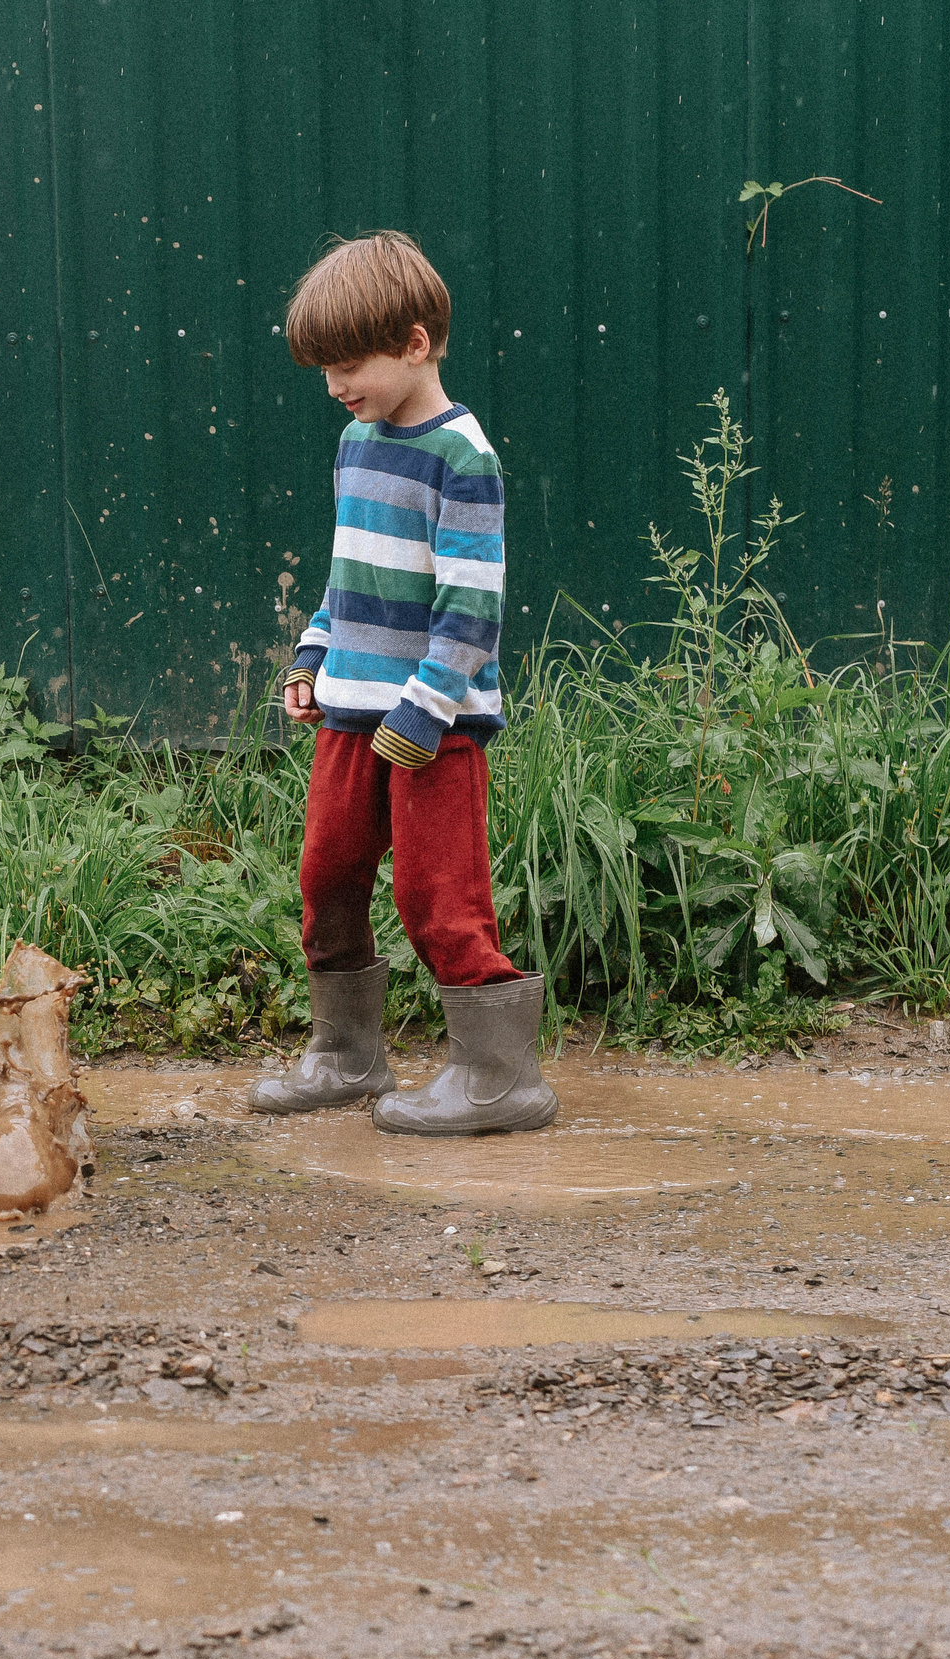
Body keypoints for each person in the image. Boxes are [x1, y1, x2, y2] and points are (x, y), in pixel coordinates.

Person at [255, 231, 556, 1137]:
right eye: (325, 370)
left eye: (350, 364)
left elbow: (474, 604)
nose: (336, 386)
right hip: (352, 708)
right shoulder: (357, 441)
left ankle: (500, 1076)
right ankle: (346, 1054)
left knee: (438, 893)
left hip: (436, 720)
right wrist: (314, 655)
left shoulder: (463, 457)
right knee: (327, 873)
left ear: (415, 343)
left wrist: (427, 707)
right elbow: (349, 574)